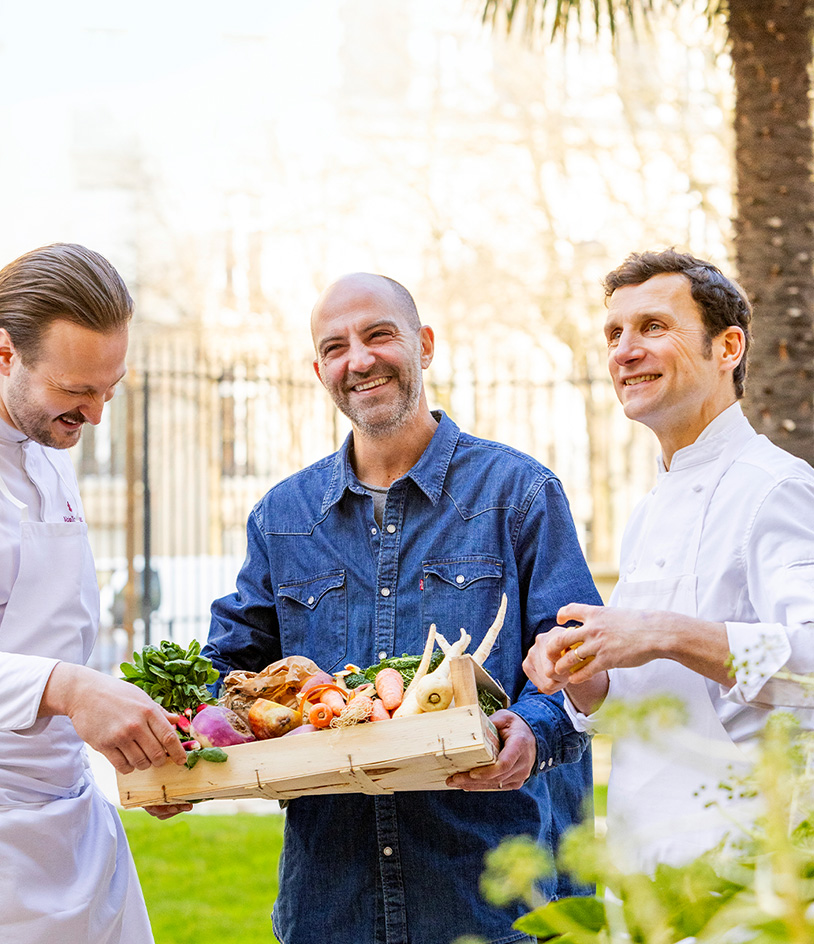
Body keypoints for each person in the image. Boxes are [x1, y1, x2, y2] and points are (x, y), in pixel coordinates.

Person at [203, 272, 601, 943]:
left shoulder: (518, 494)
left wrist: (531, 732)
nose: (358, 360)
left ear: (425, 345)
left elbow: (578, 660)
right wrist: (189, 737)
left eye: (378, 335)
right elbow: (232, 669)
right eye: (335, 347)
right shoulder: (283, 518)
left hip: (490, 895)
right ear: (319, 368)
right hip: (334, 902)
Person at [523, 248, 814, 873]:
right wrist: (584, 673)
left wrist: (660, 631)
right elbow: (654, 699)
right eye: (614, 334)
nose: (624, 350)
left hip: (750, 880)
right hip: (646, 869)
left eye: (653, 326)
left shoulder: (775, 487)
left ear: (727, 346)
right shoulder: (649, 510)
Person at [0, 243, 188, 944]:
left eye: (111, 389)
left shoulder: (47, 439)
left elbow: (46, 634)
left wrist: (125, 736)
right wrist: (71, 690)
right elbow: (53, 676)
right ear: (5, 353)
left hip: (73, 818)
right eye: (79, 391)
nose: (97, 415)